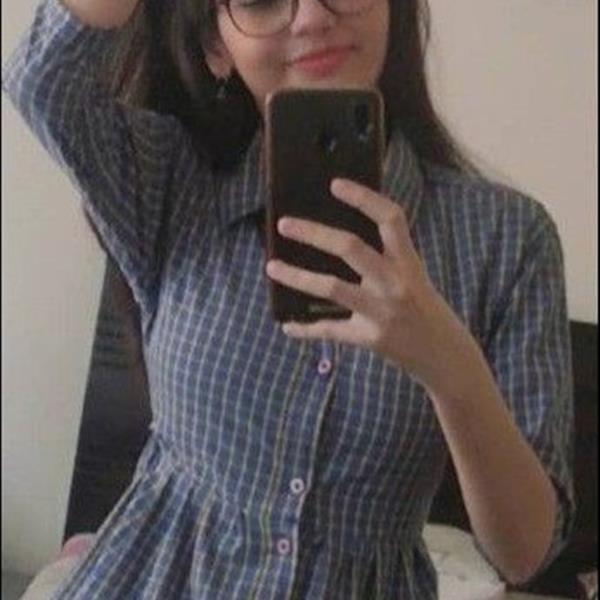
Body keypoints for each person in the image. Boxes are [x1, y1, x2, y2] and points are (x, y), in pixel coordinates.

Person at [2, 0, 576, 598]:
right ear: (217, 49)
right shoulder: (172, 182)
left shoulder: (507, 239)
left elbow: (524, 554)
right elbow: (43, 78)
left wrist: (450, 368)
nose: (310, 19)